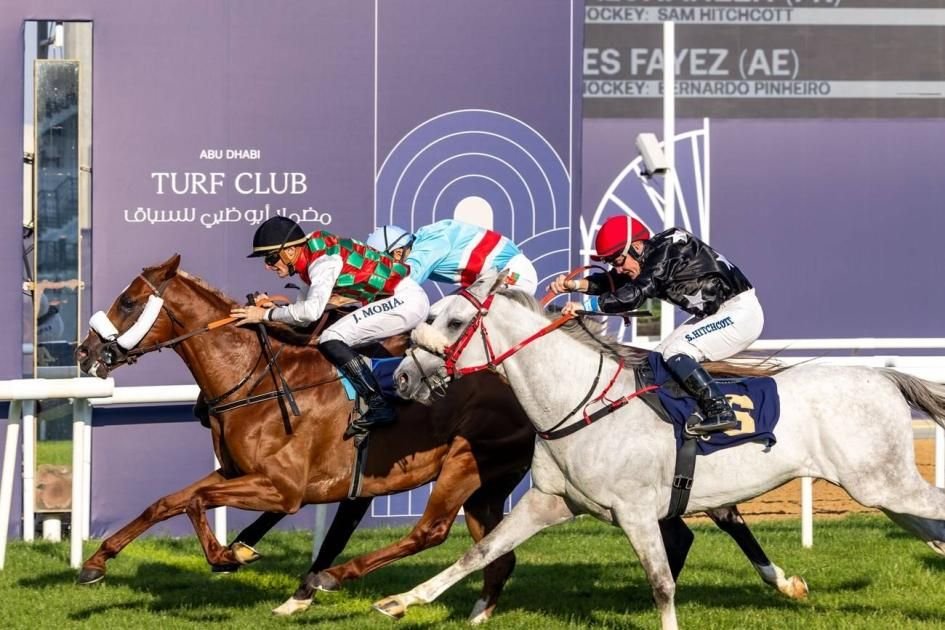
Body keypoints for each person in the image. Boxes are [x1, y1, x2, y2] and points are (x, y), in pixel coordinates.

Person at [548, 215, 763, 434]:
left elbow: (633, 295)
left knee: (676, 351)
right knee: (656, 362)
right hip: (716, 314)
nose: (618, 268)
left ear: (636, 246)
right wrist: (573, 285)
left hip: (740, 314)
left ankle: (721, 411)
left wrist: (585, 306)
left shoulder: (667, 252)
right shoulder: (648, 257)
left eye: (618, 261)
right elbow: (612, 282)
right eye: (612, 263)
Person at [231, 216, 429, 439]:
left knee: (330, 338)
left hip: (405, 301)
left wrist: (264, 315)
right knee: (332, 339)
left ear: (290, 251)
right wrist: (274, 311)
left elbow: (311, 312)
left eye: (271, 258)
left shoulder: (322, 262)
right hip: (398, 300)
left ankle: (379, 405)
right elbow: (304, 318)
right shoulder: (310, 261)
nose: (268, 266)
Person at [365, 219, 538, 295]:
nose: (383, 269)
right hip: (486, 282)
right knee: (436, 317)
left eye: (383, 263)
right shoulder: (425, 239)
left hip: (513, 275)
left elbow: (406, 280)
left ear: (397, 253)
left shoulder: (428, 246)